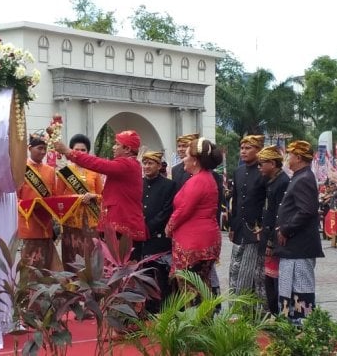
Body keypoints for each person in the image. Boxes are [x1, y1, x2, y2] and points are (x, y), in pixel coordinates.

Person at [54, 130, 146, 260]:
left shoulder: (127, 164)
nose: (113, 147)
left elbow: (98, 164)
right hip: (112, 225)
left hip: (122, 228)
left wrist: (69, 152)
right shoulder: (128, 164)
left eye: (117, 144)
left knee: (121, 272)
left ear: (127, 149)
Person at [275, 140, 325, 324]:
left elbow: (307, 211)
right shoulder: (299, 176)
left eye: (290, 155)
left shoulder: (304, 178)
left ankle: (303, 330)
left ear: (298, 157)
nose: (287, 158)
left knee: (300, 290)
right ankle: (291, 326)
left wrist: (286, 229)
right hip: (293, 248)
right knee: (288, 289)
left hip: (299, 246)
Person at [165, 137, 223, 293]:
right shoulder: (206, 178)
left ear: (195, 160)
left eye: (186, 155)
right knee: (202, 286)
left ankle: (197, 318)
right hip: (205, 240)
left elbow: (183, 210)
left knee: (192, 291)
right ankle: (205, 317)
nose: (183, 158)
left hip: (194, 243)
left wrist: (169, 227)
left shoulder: (198, 181)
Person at [56, 133, 103, 271]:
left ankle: (92, 289)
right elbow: (58, 198)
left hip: (91, 221)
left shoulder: (95, 171)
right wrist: (75, 199)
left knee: (90, 255)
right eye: (77, 150)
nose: (80, 153)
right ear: (71, 151)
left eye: (83, 150)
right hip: (71, 222)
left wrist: (93, 196)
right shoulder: (64, 172)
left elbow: (102, 196)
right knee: (72, 255)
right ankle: (72, 290)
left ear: (88, 152)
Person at [17, 133, 63, 271]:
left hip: (46, 224)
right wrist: (29, 206)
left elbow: (54, 196)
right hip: (28, 221)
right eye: (39, 148)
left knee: (46, 263)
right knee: (30, 263)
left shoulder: (50, 170)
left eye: (45, 149)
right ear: (29, 148)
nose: (43, 152)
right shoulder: (21, 168)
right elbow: (15, 198)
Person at [229, 135, 267, 297]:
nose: (243, 152)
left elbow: (267, 204)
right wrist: (232, 226)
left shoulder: (264, 171)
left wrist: (265, 228)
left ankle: (249, 313)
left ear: (258, 151)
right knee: (234, 270)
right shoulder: (238, 171)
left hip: (256, 231)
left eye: (248, 148)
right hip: (239, 230)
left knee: (252, 274)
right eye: (242, 148)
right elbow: (235, 200)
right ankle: (234, 310)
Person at [255, 145, 290, 314]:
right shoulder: (272, 181)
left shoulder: (282, 182)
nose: (259, 167)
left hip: (275, 238)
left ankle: (277, 314)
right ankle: (273, 312)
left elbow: (278, 214)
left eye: (262, 163)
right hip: (268, 233)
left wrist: (270, 240)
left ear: (273, 163)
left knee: (274, 279)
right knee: (268, 277)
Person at [141, 150, 176, 313]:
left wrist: (148, 227)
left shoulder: (169, 185)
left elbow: (166, 211)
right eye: (145, 163)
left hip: (159, 238)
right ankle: (149, 310)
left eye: (150, 163)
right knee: (145, 276)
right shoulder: (139, 184)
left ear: (159, 165)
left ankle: (167, 311)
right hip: (142, 239)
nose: (146, 167)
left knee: (163, 277)